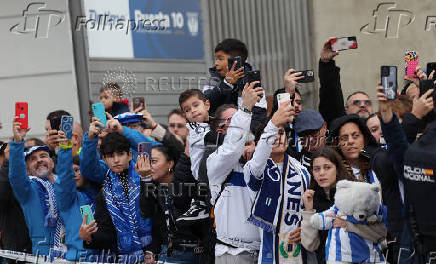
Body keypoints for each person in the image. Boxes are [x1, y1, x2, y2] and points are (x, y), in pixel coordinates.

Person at [243, 103, 315, 263]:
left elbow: (309, 207)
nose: (276, 137)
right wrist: (273, 123)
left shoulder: (302, 170)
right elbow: (259, 158)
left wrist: (306, 227)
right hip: (270, 255)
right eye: (271, 134)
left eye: (281, 132)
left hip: (300, 254)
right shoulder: (253, 169)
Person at [206, 82, 263, 263]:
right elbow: (231, 148)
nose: (242, 125)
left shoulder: (261, 162)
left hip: (266, 252)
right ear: (220, 130)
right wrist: (244, 109)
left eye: (242, 119)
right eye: (233, 121)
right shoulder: (216, 163)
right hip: (233, 255)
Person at [378, 84, 436, 263]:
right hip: (414, 250)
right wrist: (388, 118)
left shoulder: (418, 153)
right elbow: (398, 151)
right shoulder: (419, 155)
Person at [300, 147, 386, 264]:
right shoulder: (312, 198)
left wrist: (349, 225)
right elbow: (311, 245)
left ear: (337, 168)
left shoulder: (356, 192)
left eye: (327, 167)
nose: (321, 173)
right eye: (316, 169)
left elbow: (381, 233)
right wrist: (308, 211)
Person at [79, 130, 155, 263]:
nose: (116, 160)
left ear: (130, 155)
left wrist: (152, 250)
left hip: (158, 253)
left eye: (120, 154)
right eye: (110, 155)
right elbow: (108, 234)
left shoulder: (147, 177)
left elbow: (157, 218)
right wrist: (88, 238)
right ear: (104, 159)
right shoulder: (104, 194)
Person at [9, 117, 66, 258]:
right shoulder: (27, 190)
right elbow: (16, 175)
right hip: (44, 255)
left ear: (52, 163)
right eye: (33, 159)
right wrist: (17, 143)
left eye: (43, 156)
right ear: (27, 170)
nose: (39, 160)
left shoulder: (67, 184)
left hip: (74, 252)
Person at [53, 130, 102, 262]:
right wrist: (65, 149)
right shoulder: (67, 198)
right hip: (78, 258)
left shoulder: (100, 193)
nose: (73, 174)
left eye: (77, 170)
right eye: (70, 171)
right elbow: (64, 180)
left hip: (105, 256)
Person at [203, 38, 267, 132]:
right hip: (219, 135)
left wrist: (247, 136)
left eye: (220, 59)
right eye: (216, 59)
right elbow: (205, 105)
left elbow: (259, 115)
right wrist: (226, 83)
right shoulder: (213, 80)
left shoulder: (252, 82)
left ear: (235, 62)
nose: (216, 63)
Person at [318, 38, 373, 125]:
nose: (363, 105)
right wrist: (326, 64)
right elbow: (330, 94)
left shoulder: (383, 129)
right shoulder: (339, 126)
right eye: (356, 102)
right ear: (346, 110)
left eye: (367, 103)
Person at [0, 141, 32, 262]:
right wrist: (8, 163)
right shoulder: (4, 176)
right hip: (16, 252)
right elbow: (2, 197)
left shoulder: (31, 181)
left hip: (37, 248)